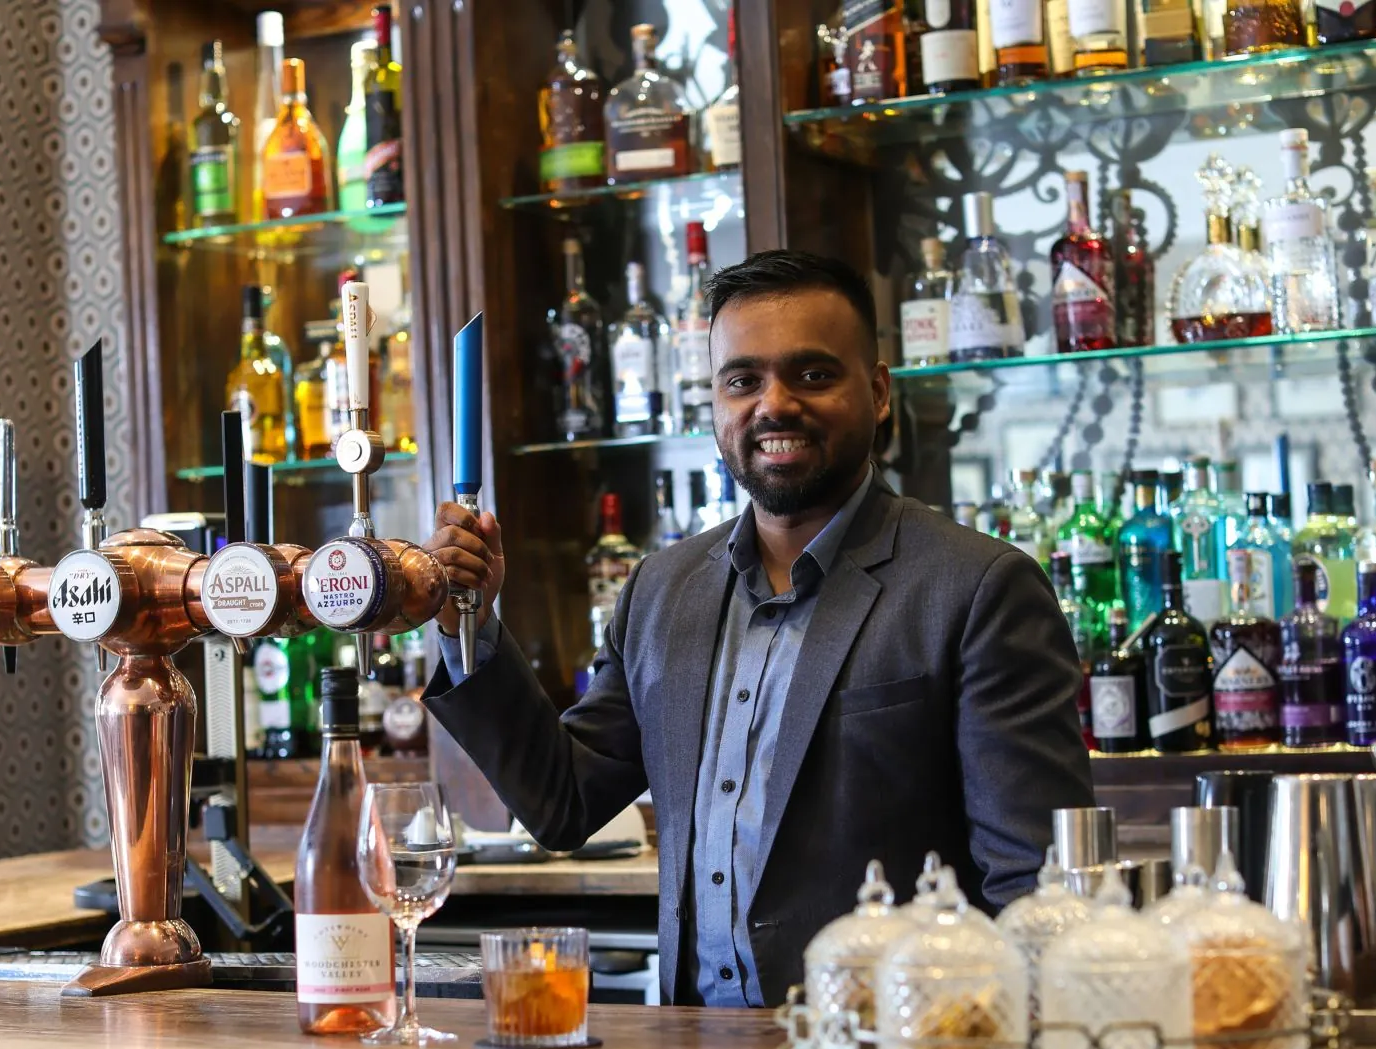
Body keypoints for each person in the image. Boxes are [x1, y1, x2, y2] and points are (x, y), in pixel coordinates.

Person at [423, 250, 1092, 1006]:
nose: (773, 404)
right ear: (713, 402)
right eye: (742, 380)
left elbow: (1036, 895)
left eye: (811, 375)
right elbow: (564, 803)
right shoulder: (661, 588)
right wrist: (468, 631)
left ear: (876, 393)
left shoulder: (977, 588)